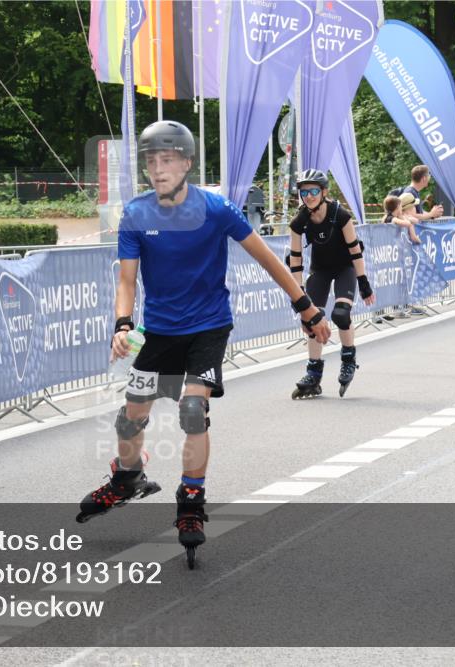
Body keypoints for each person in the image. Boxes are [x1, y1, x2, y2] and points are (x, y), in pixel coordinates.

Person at [75, 120, 331, 568]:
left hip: (208, 327)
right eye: (151, 161)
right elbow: (127, 280)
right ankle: (128, 478)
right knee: (131, 419)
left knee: (193, 409)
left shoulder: (215, 209)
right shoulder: (136, 214)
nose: (158, 169)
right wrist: (122, 325)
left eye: (167, 159)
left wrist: (306, 307)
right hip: (159, 331)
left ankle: (191, 499)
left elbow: (267, 259)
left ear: (187, 163)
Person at [288, 169, 377, 399]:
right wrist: (298, 293)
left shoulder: (340, 214)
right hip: (320, 270)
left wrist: (363, 282)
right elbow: (295, 260)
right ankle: (313, 373)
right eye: (304, 192)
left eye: (313, 191)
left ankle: (348, 359)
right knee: (311, 319)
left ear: (324, 192)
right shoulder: (298, 222)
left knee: (340, 314)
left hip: (345, 267)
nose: (309, 196)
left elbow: (355, 251)